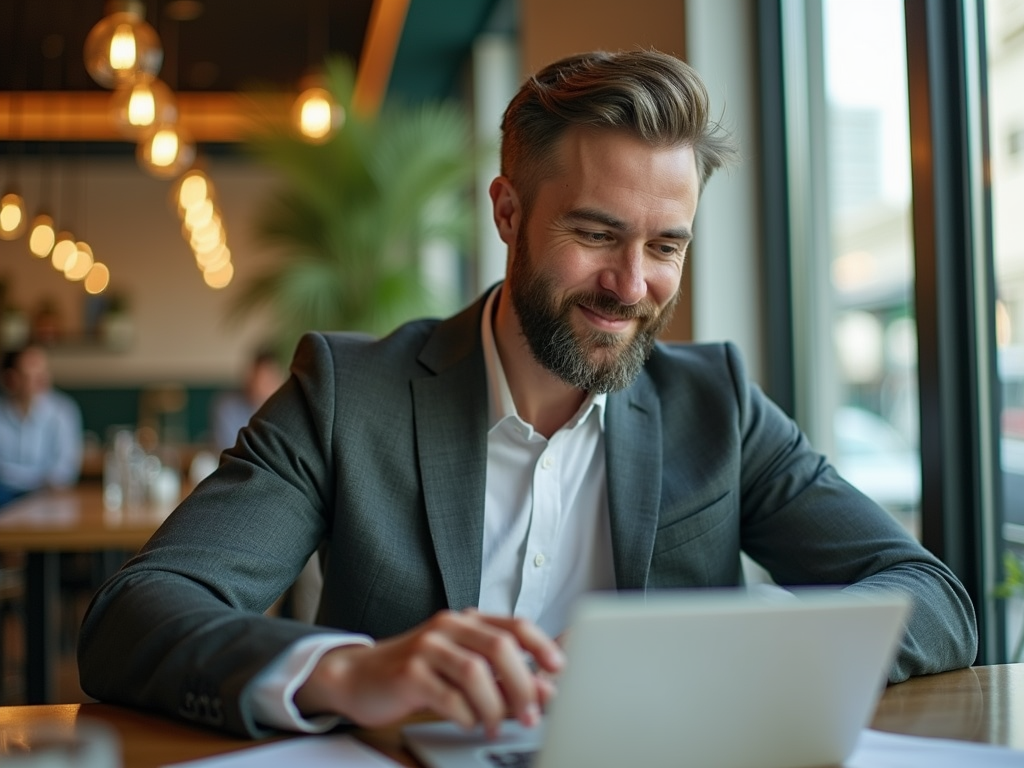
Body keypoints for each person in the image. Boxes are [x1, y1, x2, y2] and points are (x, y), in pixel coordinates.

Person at [78, 49, 977, 739]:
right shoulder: (351, 394)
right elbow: (137, 615)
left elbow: (930, 596)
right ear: (508, 212)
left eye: (666, 246)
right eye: (596, 234)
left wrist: (748, 652)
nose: (631, 285)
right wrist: (348, 672)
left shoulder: (721, 404)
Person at [0, 343, 83, 507]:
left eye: (43, 372)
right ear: (10, 379)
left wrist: (25, 482)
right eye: (31, 373)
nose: (42, 379)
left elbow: (64, 471)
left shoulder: (63, 410)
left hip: (47, 497)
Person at [209, 347, 285, 453]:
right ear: (251, 377)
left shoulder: (284, 411)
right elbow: (229, 449)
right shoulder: (228, 406)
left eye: (270, 380)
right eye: (261, 379)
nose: (264, 386)